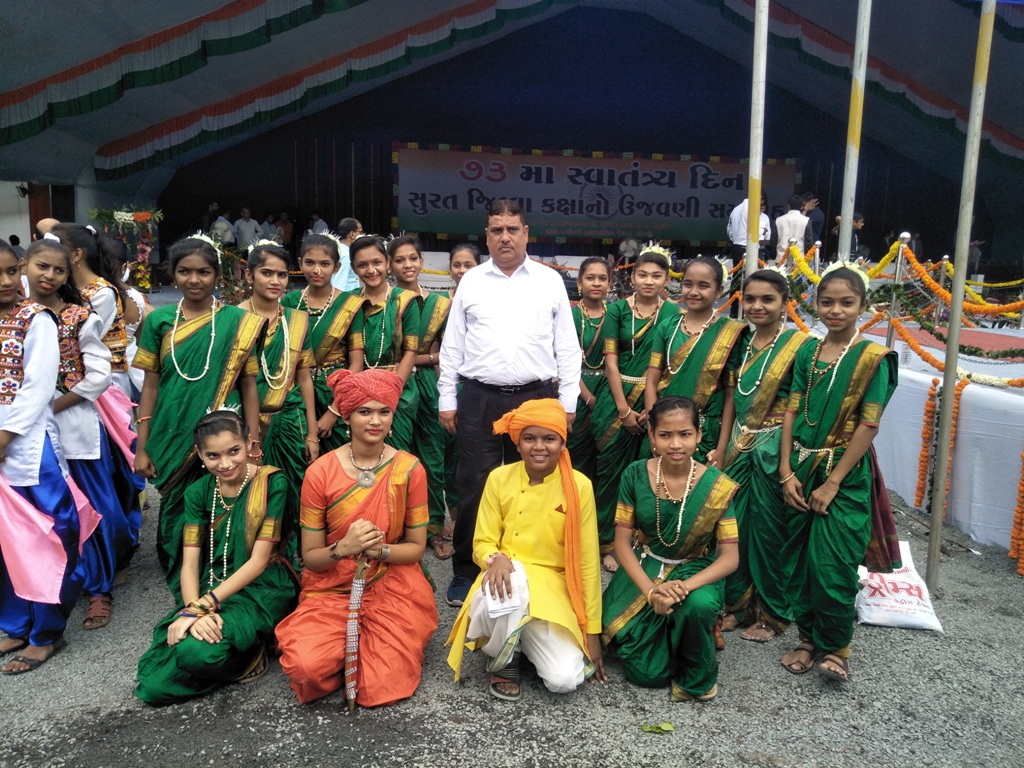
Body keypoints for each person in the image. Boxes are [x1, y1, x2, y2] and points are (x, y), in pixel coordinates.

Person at [438, 199, 581, 608]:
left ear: (526, 233)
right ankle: (467, 569)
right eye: (497, 230)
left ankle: (530, 563)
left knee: (534, 482)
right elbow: (453, 345)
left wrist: (567, 402)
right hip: (479, 397)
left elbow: (567, 346)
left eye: (512, 229)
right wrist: (447, 397)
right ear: (486, 236)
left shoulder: (549, 281)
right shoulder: (472, 281)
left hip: (535, 397)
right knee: (474, 484)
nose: (505, 237)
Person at [276, 369, 437, 707]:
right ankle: (348, 652)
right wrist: (342, 549)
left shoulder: (409, 469)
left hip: (391, 582)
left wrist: (380, 551)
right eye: (364, 411)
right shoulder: (320, 472)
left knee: (381, 685)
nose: (375, 421)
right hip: (332, 586)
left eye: (384, 411)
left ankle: (366, 650)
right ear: (347, 416)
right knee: (306, 668)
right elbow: (312, 557)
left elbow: (416, 549)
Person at [779, 264, 899, 682]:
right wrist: (785, 469)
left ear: (863, 306)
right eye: (827, 302)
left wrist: (833, 483)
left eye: (846, 303)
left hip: (843, 475)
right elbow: (791, 410)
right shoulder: (807, 353)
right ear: (816, 304)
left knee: (833, 564)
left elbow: (869, 424)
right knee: (798, 561)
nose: (836, 310)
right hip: (800, 467)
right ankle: (807, 638)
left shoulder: (873, 359)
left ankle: (837, 647)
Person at [446, 398, 605, 700]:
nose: (539, 447)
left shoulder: (579, 486)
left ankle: (519, 640)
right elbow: (482, 541)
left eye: (549, 439)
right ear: (517, 444)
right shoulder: (499, 478)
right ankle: (504, 659)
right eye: (529, 438)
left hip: (552, 590)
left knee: (564, 679)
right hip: (504, 578)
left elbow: (587, 563)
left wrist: (592, 632)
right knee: (514, 579)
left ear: (563, 443)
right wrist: (496, 558)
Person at [135, 410, 297, 705]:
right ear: (200, 454)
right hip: (212, 584)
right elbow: (190, 563)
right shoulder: (198, 492)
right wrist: (192, 610)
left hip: (262, 588)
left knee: (194, 653)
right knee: (154, 683)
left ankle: (247, 657)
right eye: (213, 455)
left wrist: (202, 606)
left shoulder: (272, 484)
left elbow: (258, 561)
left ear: (248, 444)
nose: (225, 464)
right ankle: (237, 649)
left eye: (234, 451)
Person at [133, 235, 264, 597]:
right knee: (177, 502)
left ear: (217, 275)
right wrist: (142, 446)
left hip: (223, 429)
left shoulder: (238, 321)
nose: (194, 279)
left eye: (203, 272)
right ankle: (183, 569)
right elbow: (150, 387)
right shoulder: (159, 321)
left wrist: (253, 439)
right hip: (171, 430)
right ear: (172, 274)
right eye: (184, 271)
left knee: (225, 495)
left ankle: (224, 571)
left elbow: (249, 384)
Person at [25, 238, 134, 632]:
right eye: (42, 266)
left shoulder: (78, 316)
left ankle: (100, 588)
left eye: (59, 270)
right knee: (41, 515)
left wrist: (50, 407)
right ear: (25, 267)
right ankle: (46, 590)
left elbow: (99, 376)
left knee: (98, 511)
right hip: (25, 433)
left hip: (73, 425)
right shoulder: (15, 316)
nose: (50, 276)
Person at [601, 396, 739, 702]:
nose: (676, 444)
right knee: (644, 672)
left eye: (685, 434)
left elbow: (730, 558)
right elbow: (622, 544)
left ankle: (698, 674)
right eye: (665, 435)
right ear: (652, 436)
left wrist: (682, 588)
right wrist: (652, 592)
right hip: (646, 563)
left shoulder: (718, 486)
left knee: (698, 605)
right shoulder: (635, 475)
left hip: (695, 570)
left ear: (699, 435)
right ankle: (684, 636)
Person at [0, 239, 83, 675]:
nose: (6, 281)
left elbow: (38, 388)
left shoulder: (37, 319)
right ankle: (16, 623)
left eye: (11, 271)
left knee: (49, 534)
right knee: (6, 540)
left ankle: (47, 632)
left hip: (29, 444)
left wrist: (3, 437)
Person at [719, 269, 811, 641]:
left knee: (770, 534)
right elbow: (731, 399)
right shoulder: (741, 342)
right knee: (733, 529)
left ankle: (773, 614)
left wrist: (787, 464)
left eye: (767, 299)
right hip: (738, 444)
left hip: (774, 448)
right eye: (751, 299)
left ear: (785, 303)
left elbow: (798, 406)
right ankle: (739, 607)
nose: (757, 306)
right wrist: (722, 450)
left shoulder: (799, 345)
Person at [590, 248, 680, 572]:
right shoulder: (617, 310)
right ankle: (606, 543)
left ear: (666, 280)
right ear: (632, 277)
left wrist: (651, 411)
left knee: (646, 477)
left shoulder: (673, 313)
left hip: (656, 400)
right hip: (616, 400)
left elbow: (670, 363)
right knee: (609, 478)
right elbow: (610, 362)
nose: (649, 281)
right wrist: (624, 410)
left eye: (657, 276)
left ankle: (640, 543)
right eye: (643, 274)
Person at [389, 235, 455, 559]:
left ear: (421, 262)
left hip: (427, 384)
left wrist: (414, 359)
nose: (407, 265)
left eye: (413, 258)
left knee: (432, 459)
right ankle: (394, 527)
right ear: (390, 265)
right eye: (400, 260)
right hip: (391, 385)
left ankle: (432, 529)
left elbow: (447, 352)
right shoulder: (382, 302)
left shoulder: (439, 304)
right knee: (394, 456)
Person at [243, 242, 318, 525]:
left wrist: (312, 433)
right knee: (250, 494)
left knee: (291, 491)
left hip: (289, 421)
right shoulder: (234, 318)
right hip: (242, 423)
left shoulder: (296, 320)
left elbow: (304, 377)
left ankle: (289, 548)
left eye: (282, 275)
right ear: (249, 275)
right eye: (266, 273)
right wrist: (250, 437)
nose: (275, 281)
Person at [645, 257, 745, 468]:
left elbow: (730, 395)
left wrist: (722, 447)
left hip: (706, 434)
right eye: (688, 284)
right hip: (665, 428)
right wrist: (653, 431)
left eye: (704, 286)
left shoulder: (729, 332)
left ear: (718, 291)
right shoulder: (667, 327)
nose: (693, 291)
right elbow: (651, 382)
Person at [281, 233, 366, 454]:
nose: (317, 270)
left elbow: (356, 364)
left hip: (335, 393)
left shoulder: (350, 304)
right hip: (296, 394)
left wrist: (333, 411)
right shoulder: (289, 302)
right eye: (310, 263)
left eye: (325, 264)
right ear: (300, 263)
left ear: (336, 267)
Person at [52, 223, 138, 398]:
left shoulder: (102, 293)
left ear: (76, 254)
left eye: (56, 248)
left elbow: (79, 339)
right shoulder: (65, 287)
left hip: (103, 381)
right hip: (73, 376)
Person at [353, 236, 419, 453]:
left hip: (398, 390)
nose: (371, 270)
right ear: (353, 268)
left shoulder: (405, 300)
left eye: (377, 262)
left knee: (395, 457)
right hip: (358, 388)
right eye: (362, 265)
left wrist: (389, 394)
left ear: (387, 263)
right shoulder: (349, 302)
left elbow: (411, 352)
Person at [568, 257, 612, 483]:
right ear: (579, 283)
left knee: (606, 459)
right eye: (590, 278)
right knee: (575, 459)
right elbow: (565, 363)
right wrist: (589, 399)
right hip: (576, 393)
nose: (596, 283)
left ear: (609, 284)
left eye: (602, 278)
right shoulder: (570, 316)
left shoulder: (617, 315)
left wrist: (605, 400)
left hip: (610, 391)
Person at [727, 195, 770, 263]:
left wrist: (736, 240)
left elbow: (729, 230)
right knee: (754, 269)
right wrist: (763, 230)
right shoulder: (752, 208)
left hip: (736, 247)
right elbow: (753, 229)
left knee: (737, 269)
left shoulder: (735, 209)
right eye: (762, 201)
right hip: (749, 248)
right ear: (760, 198)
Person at [775, 194, 812, 264]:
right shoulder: (806, 220)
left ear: (788, 206)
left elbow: (774, 241)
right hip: (799, 260)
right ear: (801, 206)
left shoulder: (778, 220)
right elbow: (808, 242)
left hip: (781, 260)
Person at [329, 218, 363, 292]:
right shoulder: (346, 256)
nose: (362, 235)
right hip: (347, 297)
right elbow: (338, 285)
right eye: (360, 232)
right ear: (352, 234)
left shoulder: (340, 250)